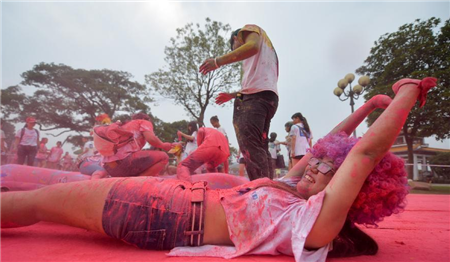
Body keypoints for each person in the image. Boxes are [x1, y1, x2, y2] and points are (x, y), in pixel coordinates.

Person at [0, 78, 436, 261]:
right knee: (38, 202)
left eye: (326, 168)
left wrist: (407, 90)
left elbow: (362, 156)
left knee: (37, 203)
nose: (316, 163)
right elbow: (335, 146)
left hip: (160, 212)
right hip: (163, 206)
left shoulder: (312, 221)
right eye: (319, 159)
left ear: (353, 191)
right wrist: (368, 106)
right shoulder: (292, 192)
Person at [199, 25, 279, 181]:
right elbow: (258, 82)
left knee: (250, 147)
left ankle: (260, 189)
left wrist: (218, 61)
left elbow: (252, 46)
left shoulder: (251, 30)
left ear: (236, 38)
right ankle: (268, 185)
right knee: (260, 147)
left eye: (233, 46)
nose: (234, 50)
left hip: (254, 98)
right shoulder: (267, 53)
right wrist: (232, 95)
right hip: (267, 97)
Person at [98, 112, 173, 177]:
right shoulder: (143, 122)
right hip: (124, 162)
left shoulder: (123, 125)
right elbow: (151, 139)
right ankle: (139, 181)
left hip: (109, 168)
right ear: (145, 118)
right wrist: (163, 145)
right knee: (164, 157)